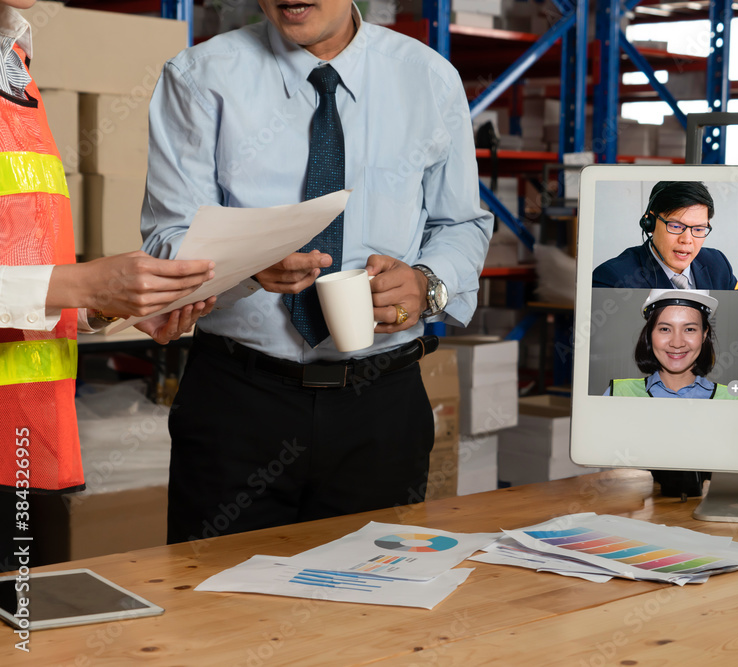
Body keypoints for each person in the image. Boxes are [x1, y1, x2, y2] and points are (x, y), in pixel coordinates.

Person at [140, 0, 492, 544]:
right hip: (238, 403)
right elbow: (168, 241)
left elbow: (461, 222)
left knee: (368, 612)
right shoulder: (199, 77)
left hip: (380, 404)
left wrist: (428, 283)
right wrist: (249, 265)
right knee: (215, 610)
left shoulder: (427, 78)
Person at [1, 0, 214, 570]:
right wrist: (85, 284)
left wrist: (106, 303)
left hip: (22, 435)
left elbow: (20, 258)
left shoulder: (13, 58)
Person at [604, 288, 738, 497]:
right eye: (664, 329)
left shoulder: (735, 400)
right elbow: (607, 478)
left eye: (689, 329)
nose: (677, 343)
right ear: (650, 334)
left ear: (704, 334)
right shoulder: (619, 394)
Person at [592, 181, 737, 290]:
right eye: (676, 226)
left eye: (698, 229)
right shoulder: (613, 279)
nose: (686, 240)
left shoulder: (718, 265)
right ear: (650, 223)